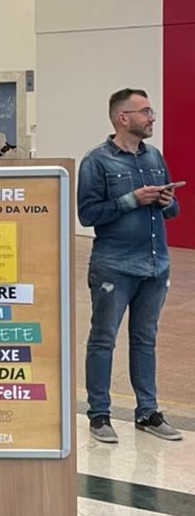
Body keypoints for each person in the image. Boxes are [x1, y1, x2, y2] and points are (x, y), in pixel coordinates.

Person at [77, 88, 183, 443]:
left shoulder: (154, 156)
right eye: (146, 111)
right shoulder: (97, 161)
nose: (152, 117)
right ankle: (99, 414)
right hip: (115, 267)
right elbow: (88, 214)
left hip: (155, 266)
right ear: (123, 118)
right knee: (103, 339)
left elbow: (173, 211)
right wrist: (131, 199)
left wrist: (167, 201)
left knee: (145, 340)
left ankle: (147, 413)